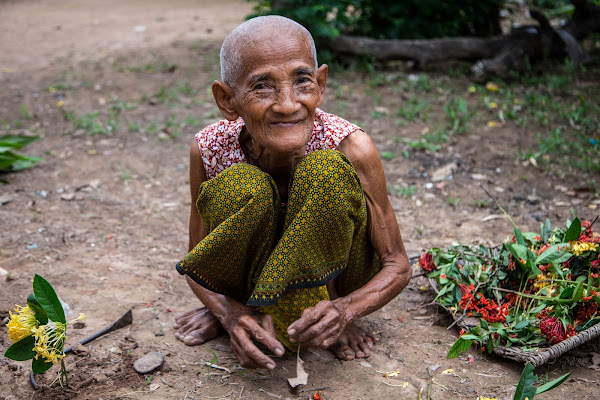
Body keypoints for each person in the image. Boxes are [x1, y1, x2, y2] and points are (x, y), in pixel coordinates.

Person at [173, 15, 411, 370]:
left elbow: (398, 265)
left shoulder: (352, 146)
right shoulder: (209, 148)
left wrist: (345, 310)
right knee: (244, 187)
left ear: (321, 83)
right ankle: (248, 307)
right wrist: (228, 312)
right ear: (227, 100)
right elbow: (198, 258)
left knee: (325, 173)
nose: (287, 104)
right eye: (262, 87)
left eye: (302, 82)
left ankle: (316, 309)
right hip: (247, 284)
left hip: (340, 281)